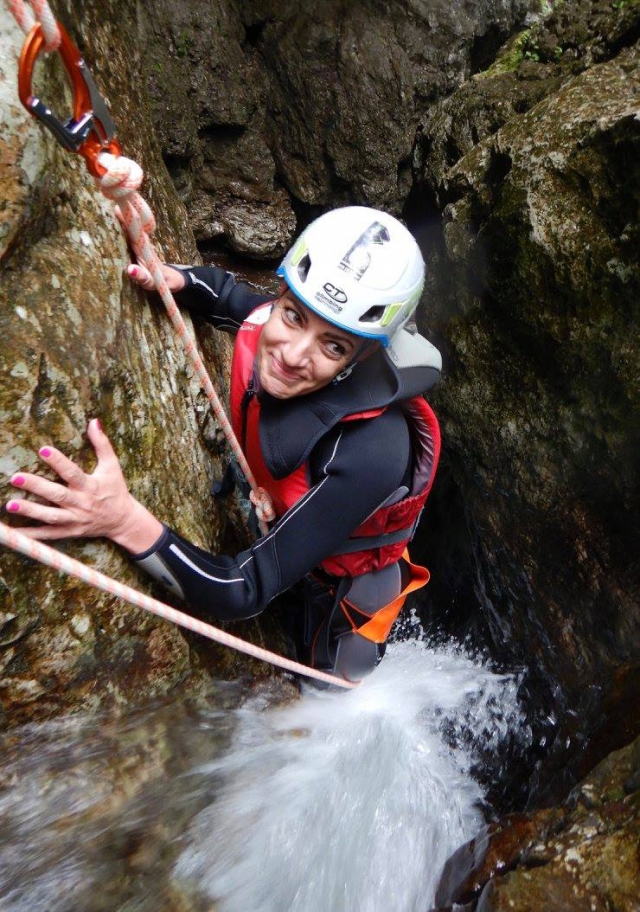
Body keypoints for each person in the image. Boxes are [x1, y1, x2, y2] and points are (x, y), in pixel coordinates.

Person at [6, 207, 442, 683]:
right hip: (289, 525)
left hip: (345, 590)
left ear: (363, 357)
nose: (293, 355)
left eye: (333, 346)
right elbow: (229, 297)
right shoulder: (268, 320)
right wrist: (177, 281)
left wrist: (121, 519)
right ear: (282, 294)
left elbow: (244, 588)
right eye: (294, 316)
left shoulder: (372, 448)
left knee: (330, 686)